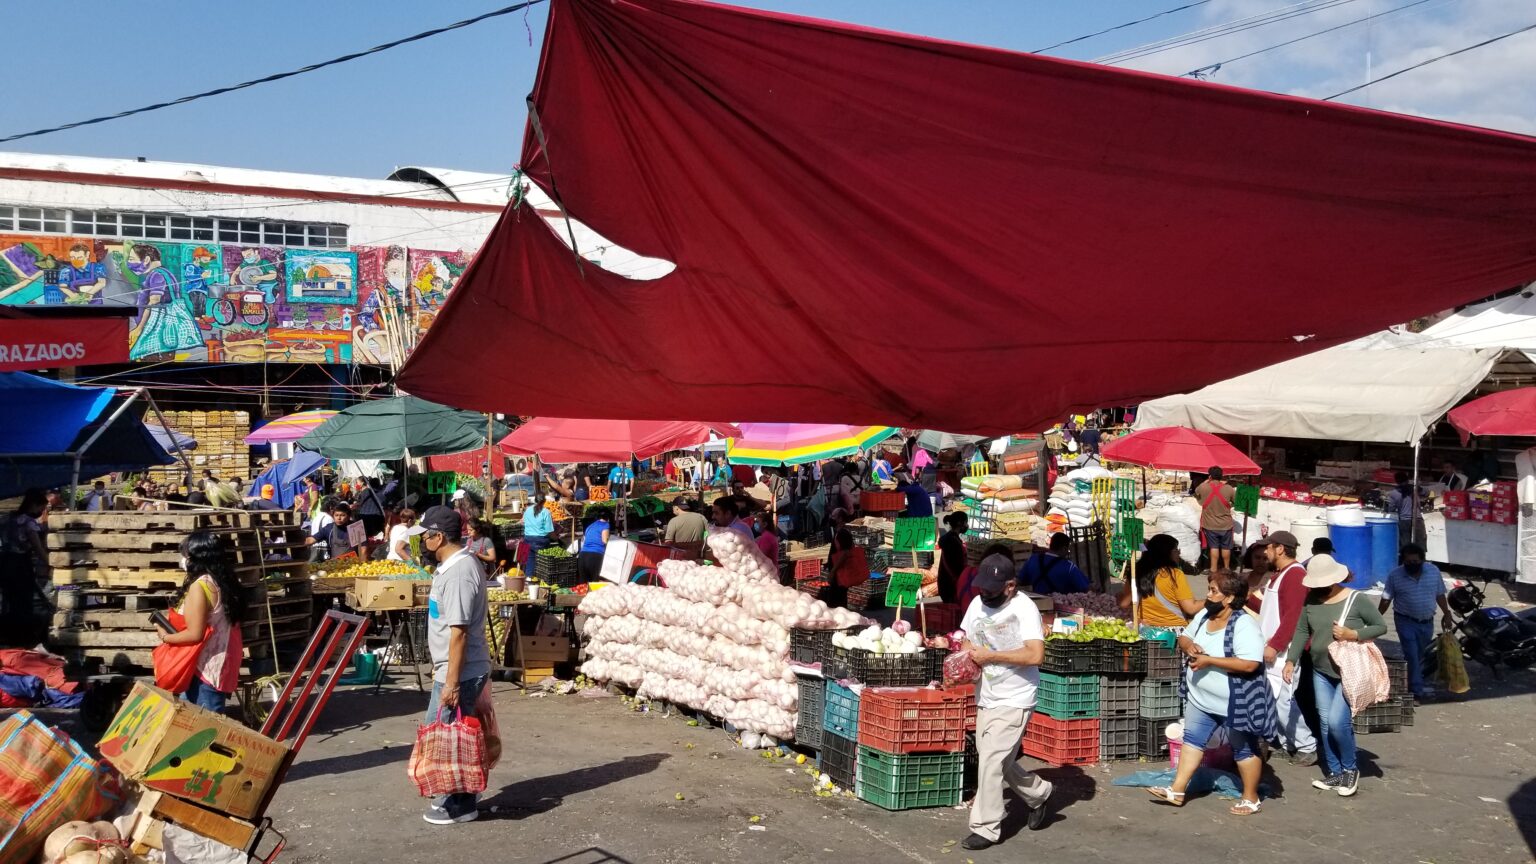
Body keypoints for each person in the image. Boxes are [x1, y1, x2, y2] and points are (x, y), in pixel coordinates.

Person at [1148, 571, 1271, 816]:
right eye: (1209, 589)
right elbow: (1184, 637)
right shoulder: (1205, 614)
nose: (1208, 594)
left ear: (1229, 598)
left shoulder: (1244, 624)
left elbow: (1250, 664)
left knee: (1244, 749)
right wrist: (1189, 646)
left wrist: (1209, 661)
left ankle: (1250, 797)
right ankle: (1178, 789)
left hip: (1235, 701)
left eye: (1214, 590)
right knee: (1192, 740)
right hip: (1201, 698)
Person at [958, 554, 1052, 850]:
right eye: (982, 588)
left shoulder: (1025, 609)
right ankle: (1038, 793)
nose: (985, 594)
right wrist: (966, 657)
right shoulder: (977, 604)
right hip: (987, 693)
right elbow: (967, 639)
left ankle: (986, 827)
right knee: (995, 756)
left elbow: (1036, 655)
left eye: (992, 589)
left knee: (990, 760)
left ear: (1010, 586)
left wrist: (992, 656)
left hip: (1016, 696)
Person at [407, 506, 491, 825]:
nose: (422, 542)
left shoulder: (458, 572)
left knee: (448, 737)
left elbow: (459, 633)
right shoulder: (453, 566)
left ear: (438, 537)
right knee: (452, 734)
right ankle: (460, 796)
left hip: (460, 671)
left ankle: (460, 804)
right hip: (453, 669)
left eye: (424, 536)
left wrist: (451, 682)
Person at [1284, 553, 1388, 796]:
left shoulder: (1356, 599)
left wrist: (1353, 634)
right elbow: (1301, 631)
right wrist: (1291, 660)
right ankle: (1334, 773)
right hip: (1321, 671)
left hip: (1347, 673)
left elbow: (1380, 626)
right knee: (1323, 722)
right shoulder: (1311, 600)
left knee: (1337, 723)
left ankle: (1350, 770)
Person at [154, 532, 245, 712]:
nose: (183, 560)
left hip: (202, 668)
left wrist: (165, 637)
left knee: (202, 729)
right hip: (219, 664)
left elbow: (195, 634)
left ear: (196, 557)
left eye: (186, 556)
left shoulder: (200, 586)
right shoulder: (224, 580)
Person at [1252, 531, 1317, 766]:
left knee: (1282, 700)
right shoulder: (1280, 575)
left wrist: (1276, 645)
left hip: (1285, 651)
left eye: (1268, 548)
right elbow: (1272, 608)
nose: (1264, 553)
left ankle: (1306, 745)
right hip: (1273, 648)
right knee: (1274, 698)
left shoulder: (1295, 575)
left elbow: (1294, 617)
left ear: (1280, 549)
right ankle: (1289, 743)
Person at [1377, 543, 1452, 704]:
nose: (1412, 565)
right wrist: (1376, 618)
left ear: (1422, 560)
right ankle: (1416, 691)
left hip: (1427, 622)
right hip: (1405, 621)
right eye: (1408, 562)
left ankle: (1409, 677)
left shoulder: (1433, 572)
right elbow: (1386, 599)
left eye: (1415, 562)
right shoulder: (1395, 576)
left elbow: (1440, 594)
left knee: (1418, 655)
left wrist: (1446, 613)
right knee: (1412, 654)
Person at [0, 489, 49, 647]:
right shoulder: (28, 522)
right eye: (41, 508)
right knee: (23, 602)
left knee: (9, 601)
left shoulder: (7, 518)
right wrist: (51, 563)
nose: (41, 512)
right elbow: (38, 548)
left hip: (4, 563)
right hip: (20, 565)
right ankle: (22, 638)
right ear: (33, 505)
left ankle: (7, 635)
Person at [1120, 534, 1200, 627]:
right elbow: (1191, 608)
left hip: (1145, 628)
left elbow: (1124, 603)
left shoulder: (1136, 571)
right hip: (1173, 630)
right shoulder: (1175, 574)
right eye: (1176, 550)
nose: (1179, 553)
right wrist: (1211, 601)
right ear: (1167, 553)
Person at [1194, 466, 1237, 574]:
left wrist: (1206, 481)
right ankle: (1227, 569)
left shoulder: (1203, 487)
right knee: (1226, 547)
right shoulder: (1229, 488)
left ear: (1210, 476)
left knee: (1214, 547)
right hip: (1225, 524)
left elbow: (1196, 493)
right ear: (1221, 476)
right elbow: (1235, 502)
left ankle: (1213, 569)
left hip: (1210, 524)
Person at [1021, 533, 1090, 595]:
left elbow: (1021, 580)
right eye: (1067, 549)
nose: (1067, 552)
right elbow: (1085, 588)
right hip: (1061, 606)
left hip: (1038, 604)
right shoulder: (1069, 567)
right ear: (1064, 548)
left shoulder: (1032, 559)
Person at [825, 528, 869, 609]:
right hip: (841, 573)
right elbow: (850, 547)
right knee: (841, 595)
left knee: (835, 599)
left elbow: (844, 554)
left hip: (839, 573)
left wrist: (833, 571)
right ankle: (841, 613)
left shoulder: (841, 534)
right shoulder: (844, 532)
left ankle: (838, 616)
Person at [931, 512, 969, 604]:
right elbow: (956, 566)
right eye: (965, 522)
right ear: (960, 523)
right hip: (950, 586)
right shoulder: (953, 542)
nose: (967, 525)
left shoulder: (950, 538)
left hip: (945, 583)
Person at [522, 495, 557, 569]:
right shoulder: (546, 512)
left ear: (535, 501)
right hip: (540, 541)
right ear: (544, 501)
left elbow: (523, 522)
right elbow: (549, 530)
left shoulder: (527, 510)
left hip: (527, 539)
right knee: (542, 563)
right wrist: (556, 538)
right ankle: (539, 577)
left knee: (529, 561)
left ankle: (529, 577)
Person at [578, 510, 611, 583]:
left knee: (584, 585)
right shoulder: (605, 524)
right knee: (595, 584)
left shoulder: (590, 526)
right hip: (595, 556)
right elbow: (604, 540)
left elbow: (585, 539)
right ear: (608, 518)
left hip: (583, 555)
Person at [1385, 471, 1417, 545]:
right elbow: (1427, 492)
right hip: (1418, 519)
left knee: (1405, 545)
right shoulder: (1415, 489)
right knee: (1419, 546)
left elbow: (1391, 509)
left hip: (1405, 520)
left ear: (1396, 482)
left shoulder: (1394, 493)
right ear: (1408, 480)